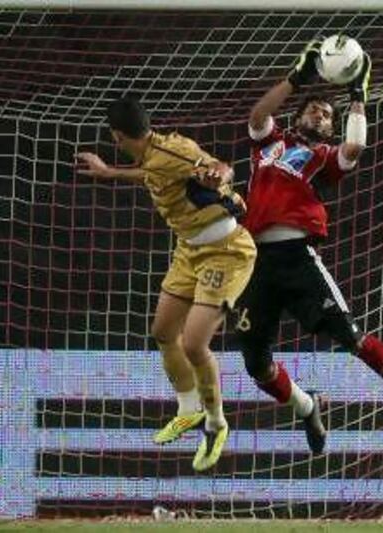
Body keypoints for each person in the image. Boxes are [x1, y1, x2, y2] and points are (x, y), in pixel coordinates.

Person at [234, 41, 383, 454]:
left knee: (352, 338)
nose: (321, 117)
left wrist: (358, 94)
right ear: (299, 114)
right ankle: (306, 406)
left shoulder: (323, 157)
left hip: (297, 257)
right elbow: (257, 115)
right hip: (256, 262)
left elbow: (354, 148)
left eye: (328, 116)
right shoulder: (270, 142)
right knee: (255, 363)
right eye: (315, 110)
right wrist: (297, 77)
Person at [76, 97, 256, 471]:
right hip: (189, 251)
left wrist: (218, 176)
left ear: (117, 135)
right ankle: (188, 408)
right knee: (163, 331)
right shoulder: (151, 156)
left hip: (225, 250)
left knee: (193, 343)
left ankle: (215, 423)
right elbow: (150, 172)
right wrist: (110, 173)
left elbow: (223, 168)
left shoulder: (175, 150)